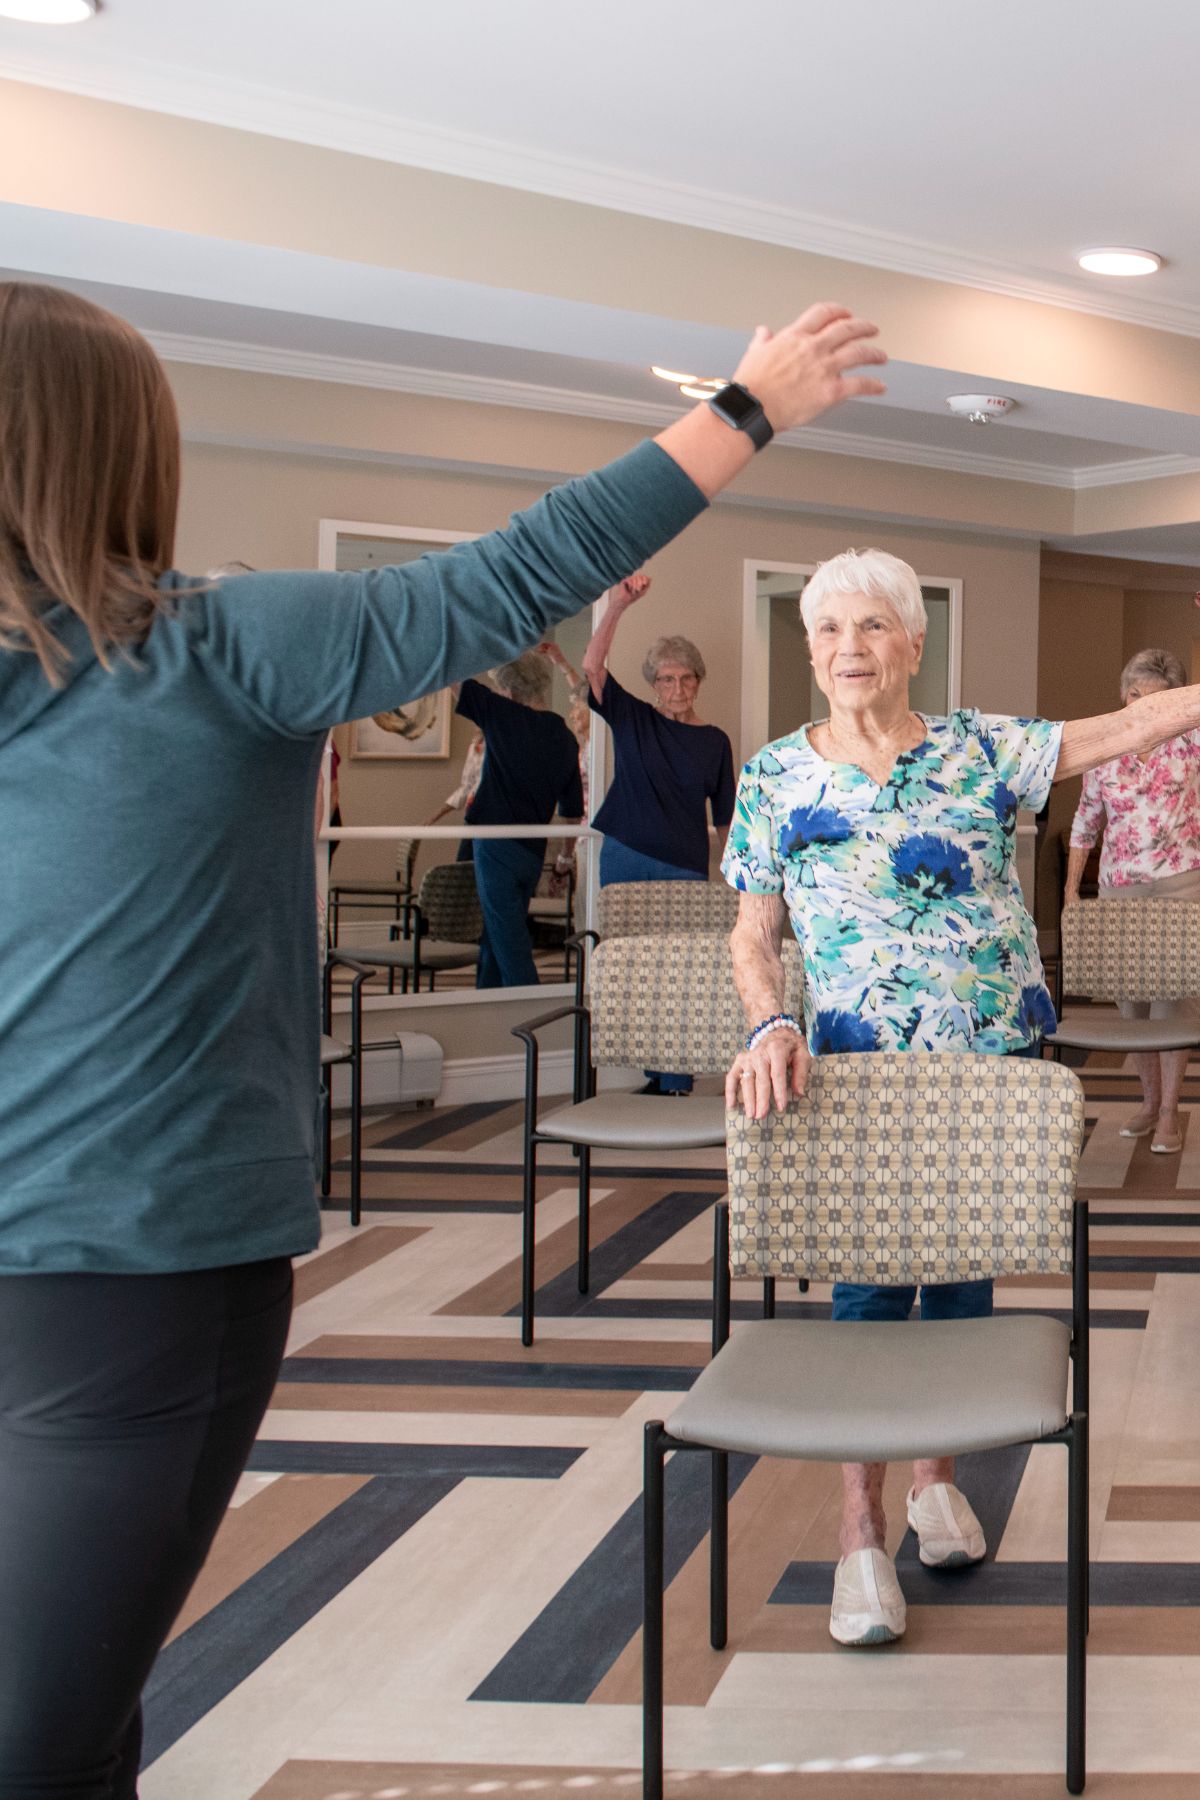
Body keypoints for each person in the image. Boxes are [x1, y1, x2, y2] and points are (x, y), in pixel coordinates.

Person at [0, 283, 888, 1796]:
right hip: (101, 1269)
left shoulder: (218, 646)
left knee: (39, 1736)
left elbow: (511, 576)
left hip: (123, 1275)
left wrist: (745, 411)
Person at [721, 546, 1200, 1651]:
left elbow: (1120, 731)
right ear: (808, 647)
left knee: (965, 1283)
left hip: (986, 1072)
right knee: (868, 1300)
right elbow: (754, 929)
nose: (851, 649)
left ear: (914, 642)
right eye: (831, 630)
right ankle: (858, 1529)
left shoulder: (986, 748)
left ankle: (938, 1486)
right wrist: (768, 1018)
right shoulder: (777, 775)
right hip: (853, 1078)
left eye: (874, 628)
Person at [584, 573, 737, 1092]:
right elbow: (592, 667)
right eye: (667, 680)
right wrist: (617, 606)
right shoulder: (632, 718)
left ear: (699, 681)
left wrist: (737, 880)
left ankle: (675, 1078)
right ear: (653, 684)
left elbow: (725, 816)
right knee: (630, 970)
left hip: (684, 864)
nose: (677, 689)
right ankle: (653, 1070)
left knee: (679, 975)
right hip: (624, 855)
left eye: (687, 679)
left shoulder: (715, 741)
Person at [1066, 647, 1200, 1154]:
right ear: (1124, 694)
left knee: (1173, 1004)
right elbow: (1085, 822)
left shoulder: (1190, 743)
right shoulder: (1105, 749)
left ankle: (1169, 1113)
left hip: (1180, 885)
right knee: (1132, 1007)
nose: (1141, 705)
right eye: (1135, 694)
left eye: (1155, 699)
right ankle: (1147, 1102)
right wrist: (1070, 891)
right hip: (1118, 887)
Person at [455, 652, 583, 986]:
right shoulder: (564, 736)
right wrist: (564, 861)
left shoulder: (503, 714)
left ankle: (533, 1022)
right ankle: (488, 1013)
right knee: (495, 938)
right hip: (531, 851)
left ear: (509, 691)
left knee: (510, 945)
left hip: (497, 847)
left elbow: (452, 682)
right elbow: (572, 811)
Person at [426, 731, 485, 859]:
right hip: (473, 816)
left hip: (493, 818)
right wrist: (432, 819)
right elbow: (466, 787)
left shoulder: (501, 744)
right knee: (463, 864)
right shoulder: (474, 746)